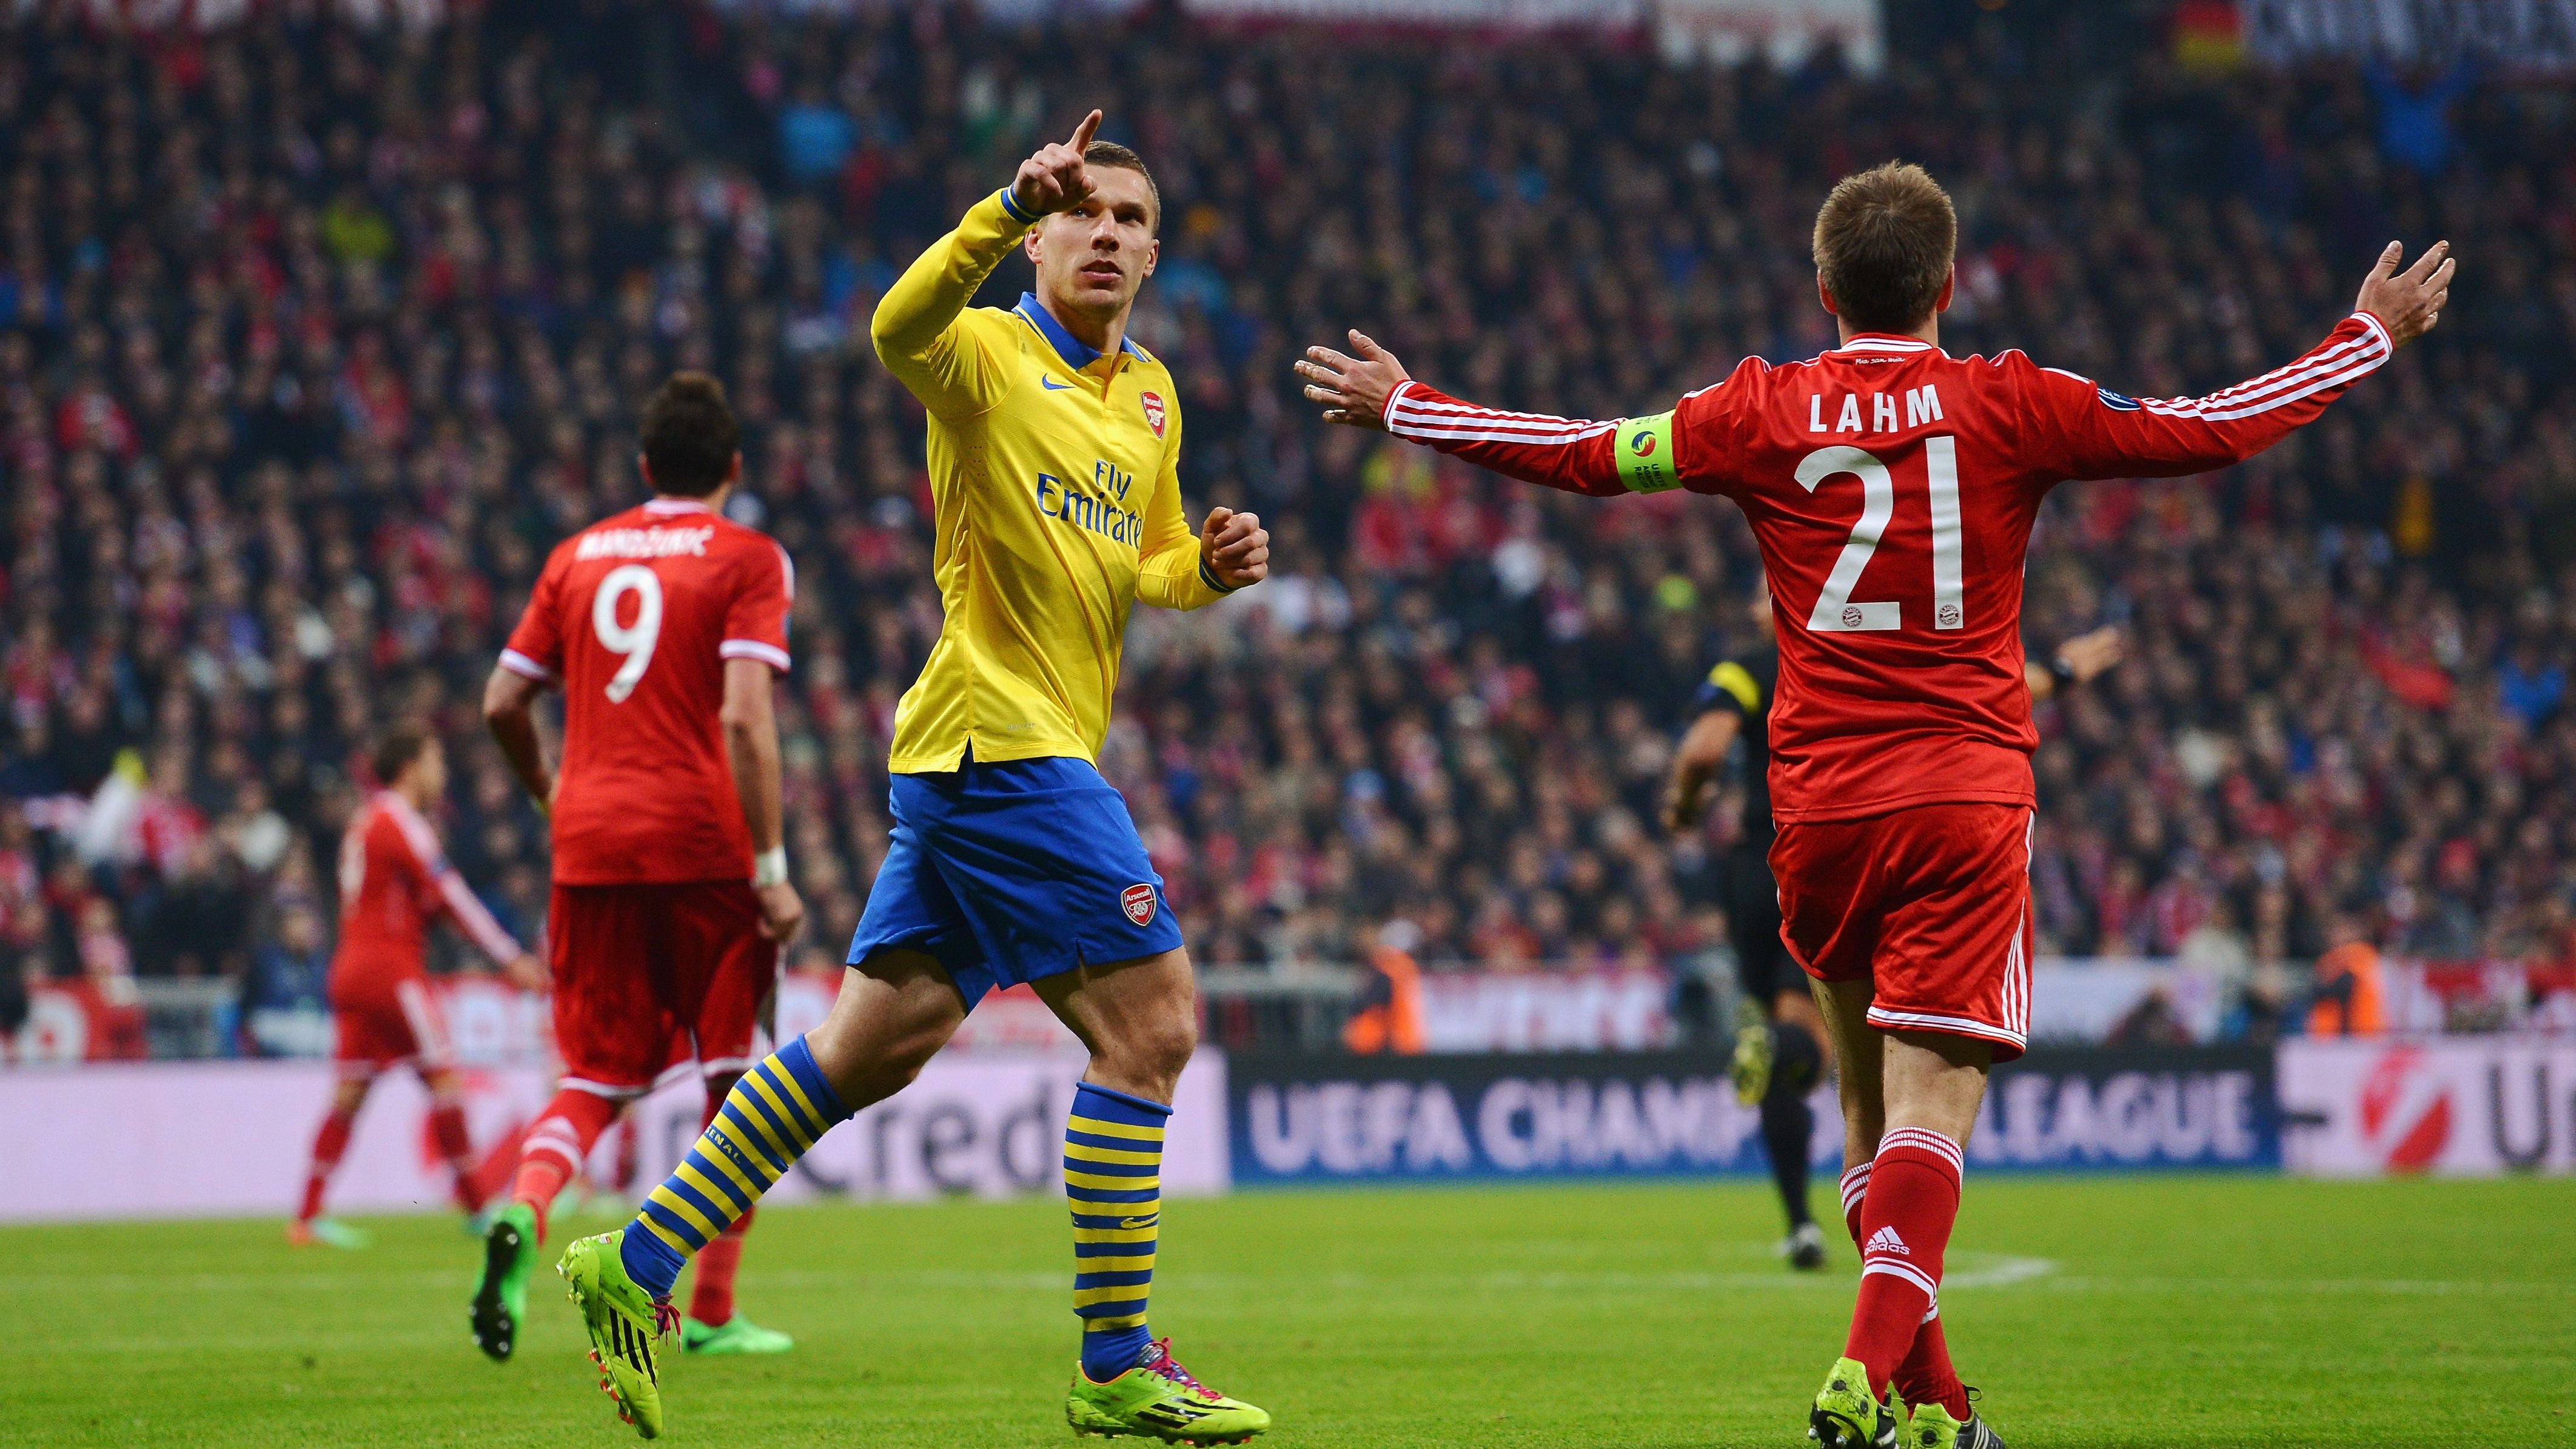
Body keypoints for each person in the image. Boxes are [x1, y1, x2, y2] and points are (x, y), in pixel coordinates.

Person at [1298, 160, 2450, 1449]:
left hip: (1820, 812)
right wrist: (2368, 334)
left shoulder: (1759, 409)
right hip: (1961, 794)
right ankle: (1858, 1369)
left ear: (1824, 288)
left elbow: (1578, 455)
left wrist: (1411, 407)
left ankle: (1943, 1412)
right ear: (1950, 285)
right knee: (1935, 1111)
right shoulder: (2016, 402)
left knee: (1864, 1106)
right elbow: (2212, 425)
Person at [553, 112, 1273, 1444]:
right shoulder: (989, 352)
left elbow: (1152, 561)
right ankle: (1115, 1361)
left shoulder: (1155, 395)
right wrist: (1000, 200)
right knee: (1156, 1025)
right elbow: (894, 329)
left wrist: (1207, 570)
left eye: (1130, 221)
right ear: (1046, 236)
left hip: (972, 756)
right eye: (1083, 213)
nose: (1104, 233)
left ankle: (635, 1261)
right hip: (1004, 745)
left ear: (1155, 255)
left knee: (869, 1045)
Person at [477, 372, 805, 1367]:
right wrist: (774, 865)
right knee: (737, 1084)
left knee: (594, 1075)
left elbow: (501, 701)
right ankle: (709, 1305)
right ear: (734, 470)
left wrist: (550, 791)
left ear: (642, 467)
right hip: (704, 848)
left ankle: (525, 1212)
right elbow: (745, 714)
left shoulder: (576, 555)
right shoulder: (748, 558)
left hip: (589, 847)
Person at [1666, 589, 2123, 1272]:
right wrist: (2059, 670)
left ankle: (1798, 1224)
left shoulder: (1745, 669)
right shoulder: (1854, 655)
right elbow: (1991, 691)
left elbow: (1704, 747)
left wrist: (1684, 807)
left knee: (1784, 1047)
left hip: (1752, 870)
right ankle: (1789, 1051)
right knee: (1824, 1053)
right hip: (1831, 856)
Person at [292, 726, 541, 1248]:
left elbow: (404, 899)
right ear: (410, 767)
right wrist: (509, 957)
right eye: (435, 761)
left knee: (350, 1094)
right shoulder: (400, 821)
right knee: (445, 1079)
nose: (441, 773)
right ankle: (479, 1209)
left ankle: (308, 1216)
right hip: (390, 972)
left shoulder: (364, 822)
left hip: (351, 969)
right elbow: (451, 896)